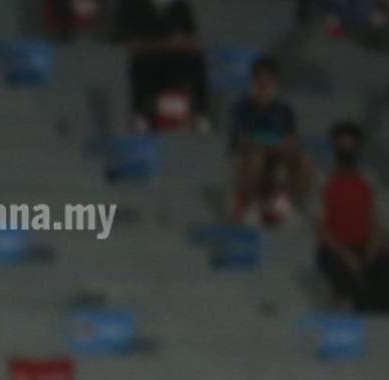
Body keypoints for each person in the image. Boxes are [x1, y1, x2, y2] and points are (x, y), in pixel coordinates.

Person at [229, 56, 313, 225]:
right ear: (254, 81)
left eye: (268, 80)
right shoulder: (242, 107)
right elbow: (240, 140)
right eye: (261, 80)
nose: (264, 85)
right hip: (250, 153)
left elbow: (292, 139)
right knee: (257, 158)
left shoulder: (284, 110)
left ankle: (287, 202)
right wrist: (267, 146)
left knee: (305, 161)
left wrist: (283, 147)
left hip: (278, 153)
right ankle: (247, 202)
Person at [317, 121, 389, 311]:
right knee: (351, 277)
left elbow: (375, 220)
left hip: (365, 246)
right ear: (334, 147)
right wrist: (348, 257)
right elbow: (323, 230)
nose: (347, 150)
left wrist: (372, 249)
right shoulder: (324, 180)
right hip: (336, 250)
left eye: (351, 146)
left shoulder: (368, 179)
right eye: (342, 145)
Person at [114, 0, 210, 131]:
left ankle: (201, 114)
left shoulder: (180, 7)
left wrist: (174, 44)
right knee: (141, 64)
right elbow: (132, 43)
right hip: (148, 61)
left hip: (175, 61)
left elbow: (191, 39)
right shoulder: (133, 5)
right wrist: (166, 44)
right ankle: (140, 116)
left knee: (197, 61)